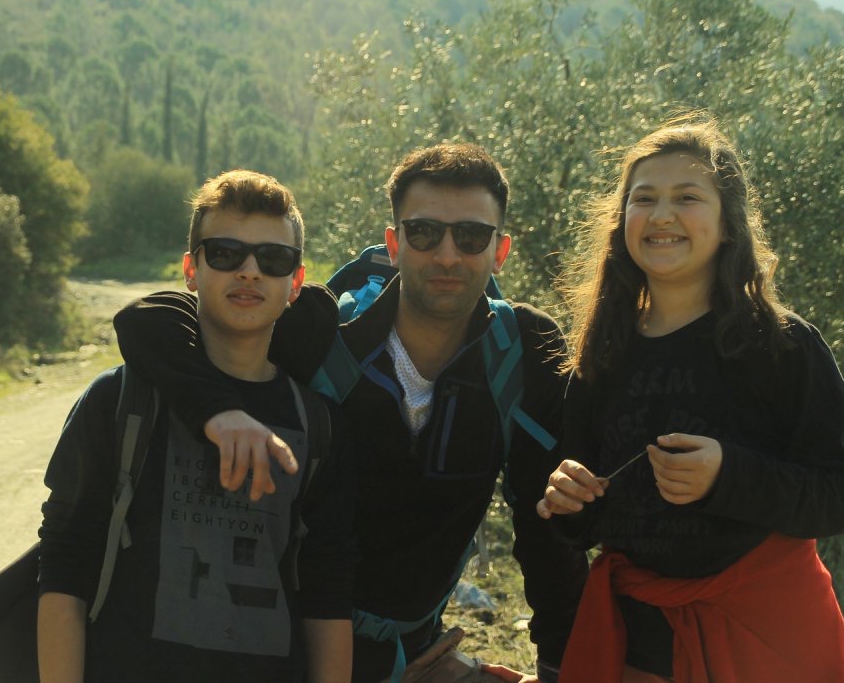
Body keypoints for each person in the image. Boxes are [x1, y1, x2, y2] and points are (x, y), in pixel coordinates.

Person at [112, 144, 589, 682]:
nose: (447, 255)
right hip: (283, 648)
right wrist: (218, 410)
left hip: (414, 655)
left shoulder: (523, 350)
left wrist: (558, 671)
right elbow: (149, 319)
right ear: (394, 243)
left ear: (500, 251)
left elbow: (547, 526)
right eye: (424, 233)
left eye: (471, 236)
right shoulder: (327, 333)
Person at [537, 118, 844, 682]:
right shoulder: (603, 352)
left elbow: (843, 495)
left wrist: (727, 476)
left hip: (768, 640)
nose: (662, 215)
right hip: (638, 641)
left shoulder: (782, 346)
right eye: (644, 199)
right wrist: (569, 500)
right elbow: (585, 520)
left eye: (687, 197)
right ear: (622, 222)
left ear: (728, 223)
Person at [36, 170, 357, 683]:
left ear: (296, 282)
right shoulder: (119, 401)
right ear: (191, 269)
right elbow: (64, 568)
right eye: (225, 253)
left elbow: (327, 594)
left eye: (273, 259)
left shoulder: (321, 427)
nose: (249, 271)